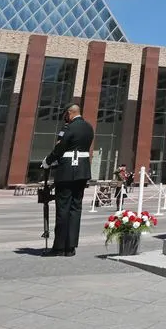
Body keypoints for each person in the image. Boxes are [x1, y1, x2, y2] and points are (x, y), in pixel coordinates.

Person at [39, 103, 94, 257]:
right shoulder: (89, 127)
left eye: (65, 114)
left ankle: (59, 247)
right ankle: (70, 247)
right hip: (82, 172)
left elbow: (60, 148)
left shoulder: (68, 128)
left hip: (66, 172)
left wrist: (47, 161)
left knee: (63, 208)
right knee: (76, 209)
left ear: (69, 113)